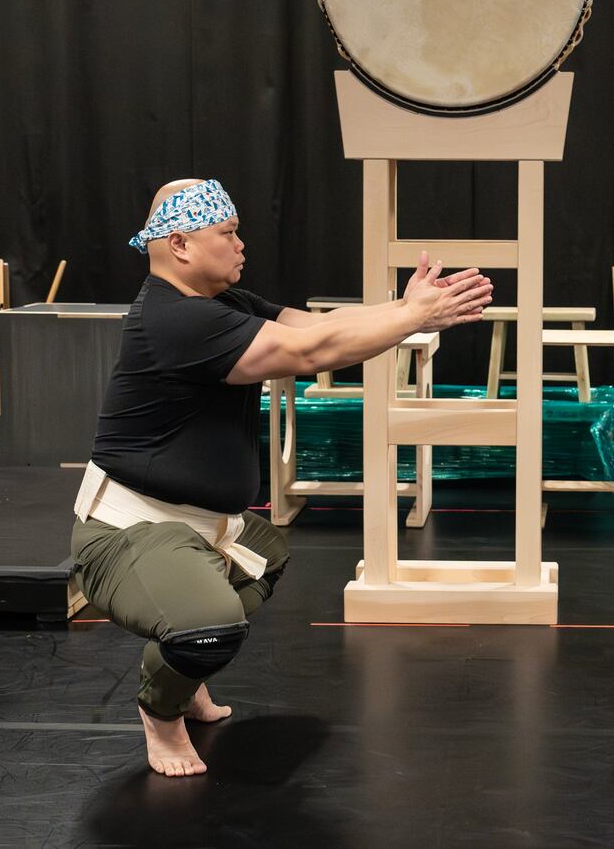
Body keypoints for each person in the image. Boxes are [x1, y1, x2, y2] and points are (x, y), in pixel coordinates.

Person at [73, 178, 493, 777]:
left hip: (199, 528)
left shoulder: (225, 305)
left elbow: (313, 325)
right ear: (181, 244)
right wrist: (412, 317)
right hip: (126, 534)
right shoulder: (175, 320)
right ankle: (161, 712)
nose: (241, 244)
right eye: (228, 232)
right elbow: (309, 353)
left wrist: (407, 309)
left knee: (264, 555)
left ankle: (181, 669)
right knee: (210, 627)